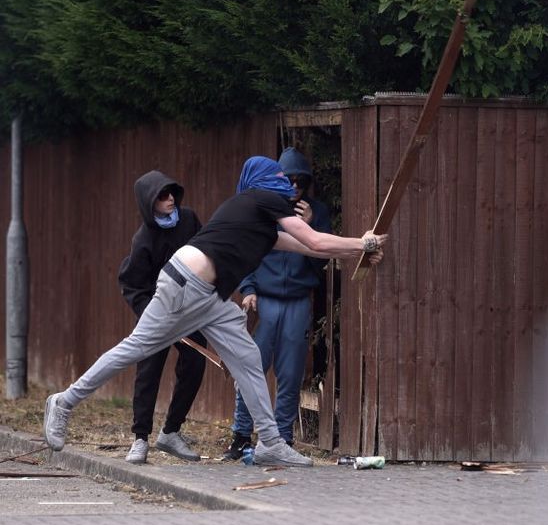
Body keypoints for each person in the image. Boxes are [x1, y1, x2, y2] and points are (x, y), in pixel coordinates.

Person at [43, 156, 387, 466]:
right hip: (183, 287)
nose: (286, 181)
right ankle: (64, 401)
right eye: (278, 174)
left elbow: (307, 248)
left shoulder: (261, 223)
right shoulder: (260, 198)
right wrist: (364, 242)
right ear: (263, 180)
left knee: (248, 358)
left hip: (210, 297)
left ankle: (269, 441)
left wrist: (355, 251)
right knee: (134, 349)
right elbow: (313, 240)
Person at [224, 147, 331, 460]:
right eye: (290, 180)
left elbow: (320, 259)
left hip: (298, 300)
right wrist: (248, 288)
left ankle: (282, 439)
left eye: (301, 181)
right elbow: (247, 250)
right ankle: (241, 435)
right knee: (251, 369)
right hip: (264, 300)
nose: (295, 186)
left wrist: (312, 226)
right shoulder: (264, 207)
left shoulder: (317, 211)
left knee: (291, 373)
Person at [118, 171, 207, 464]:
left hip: (188, 311)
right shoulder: (143, 239)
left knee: (194, 362)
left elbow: (206, 255)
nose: (170, 199)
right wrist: (152, 317)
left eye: (172, 193)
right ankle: (140, 438)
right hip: (154, 313)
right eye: (162, 195)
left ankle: (171, 432)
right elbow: (132, 284)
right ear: (149, 202)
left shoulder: (190, 220)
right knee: (148, 371)